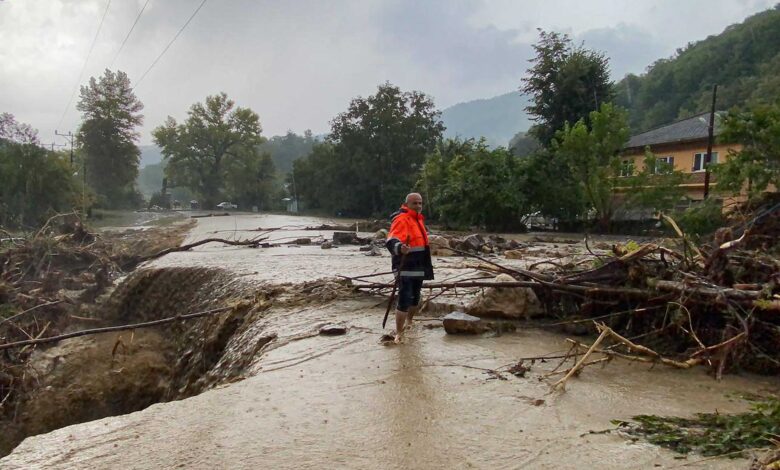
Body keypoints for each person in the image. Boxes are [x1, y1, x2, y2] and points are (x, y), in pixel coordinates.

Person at [385, 193, 434, 343]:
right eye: (415, 203)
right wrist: (400, 248)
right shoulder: (401, 219)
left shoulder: (418, 219)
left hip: (419, 264)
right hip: (404, 265)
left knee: (416, 297)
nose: (418, 206)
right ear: (406, 204)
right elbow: (391, 239)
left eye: (420, 203)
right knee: (405, 298)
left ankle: (410, 322)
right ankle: (399, 333)